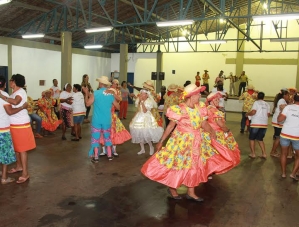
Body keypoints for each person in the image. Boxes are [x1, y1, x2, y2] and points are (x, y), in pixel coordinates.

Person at [142, 84, 238, 202]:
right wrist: (161, 141)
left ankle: (191, 192)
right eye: (197, 94)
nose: (199, 96)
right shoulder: (180, 109)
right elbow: (170, 126)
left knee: (194, 165)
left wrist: (212, 132)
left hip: (196, 142)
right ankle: (173, 189)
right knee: (177, 165)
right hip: (180, 143)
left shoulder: (200, 108)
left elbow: (203, 123)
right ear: (191, 96)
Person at [0, 74, 36, 184]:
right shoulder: (14, 93)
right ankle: (19, 166)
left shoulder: (20, 92)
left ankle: (25, 173)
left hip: (21, 125)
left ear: (14, 82)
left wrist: (2, 96)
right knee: (17, 148)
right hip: (14, 125)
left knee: (22, 149)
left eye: (11, 80)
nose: (9, 82)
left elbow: (15, 102)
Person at [83, 76, 120, 162]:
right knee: (107, 137)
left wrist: (86, 93)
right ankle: (110, 155)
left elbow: (87, 104)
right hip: (107, 120)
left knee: (95, 138)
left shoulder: (95, 93)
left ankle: (96, 157)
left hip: (97, 120)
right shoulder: (110, 94)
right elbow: (118, 107)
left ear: (100, 84)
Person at [205, 92, 241, 170]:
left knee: (210, 153)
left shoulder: (207, 108)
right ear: (211, 101)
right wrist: (227, 131)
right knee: (222, 153)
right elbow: (220, 124)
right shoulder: (214, 111)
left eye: (218, 99)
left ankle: (209, 170)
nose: (218, 101)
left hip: (207, 133)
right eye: (216, 99)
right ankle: (212, 170)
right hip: (217, 133)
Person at [130, 89, 164, 155]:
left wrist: (142, 103)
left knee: (146, 134)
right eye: (141, 93)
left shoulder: (149, 101)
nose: (141, 95)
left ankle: (151, 147)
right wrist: (133, 118)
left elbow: (145, 111)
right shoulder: (139, 101)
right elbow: (138, 110)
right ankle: (142, 149)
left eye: (143, 94)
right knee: (139, 133)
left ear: (146, 95)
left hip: (146, 118)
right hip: (139, 117)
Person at [277, 92, 299, 180]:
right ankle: (293, 173)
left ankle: (283, 173)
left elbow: (279, 120)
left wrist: (282, 110)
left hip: (285, 133)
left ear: (293, 99)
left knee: (283, 154)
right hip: (297, 136)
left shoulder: (288, 107)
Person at [246, 92, 270, 159]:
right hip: (264, 124)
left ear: (257, 97)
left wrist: (248, 114)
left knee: (252, 138)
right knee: (260, 139)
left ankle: (253, 154)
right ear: (263, 97)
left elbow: (253, 112)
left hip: (256, 123)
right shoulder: (267, 104)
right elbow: (268, 115)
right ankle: (264, 153)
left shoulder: (256, 103)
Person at [270, 89, 289, 157]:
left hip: (277, 121)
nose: (288, 96)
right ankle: (273, 151)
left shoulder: (281, 100)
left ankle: (274, 150)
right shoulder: (282, 100)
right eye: (287, 95)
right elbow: (282, 107)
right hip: (278, 122)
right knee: (278, 138)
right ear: (284, 95)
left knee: (278, 137)